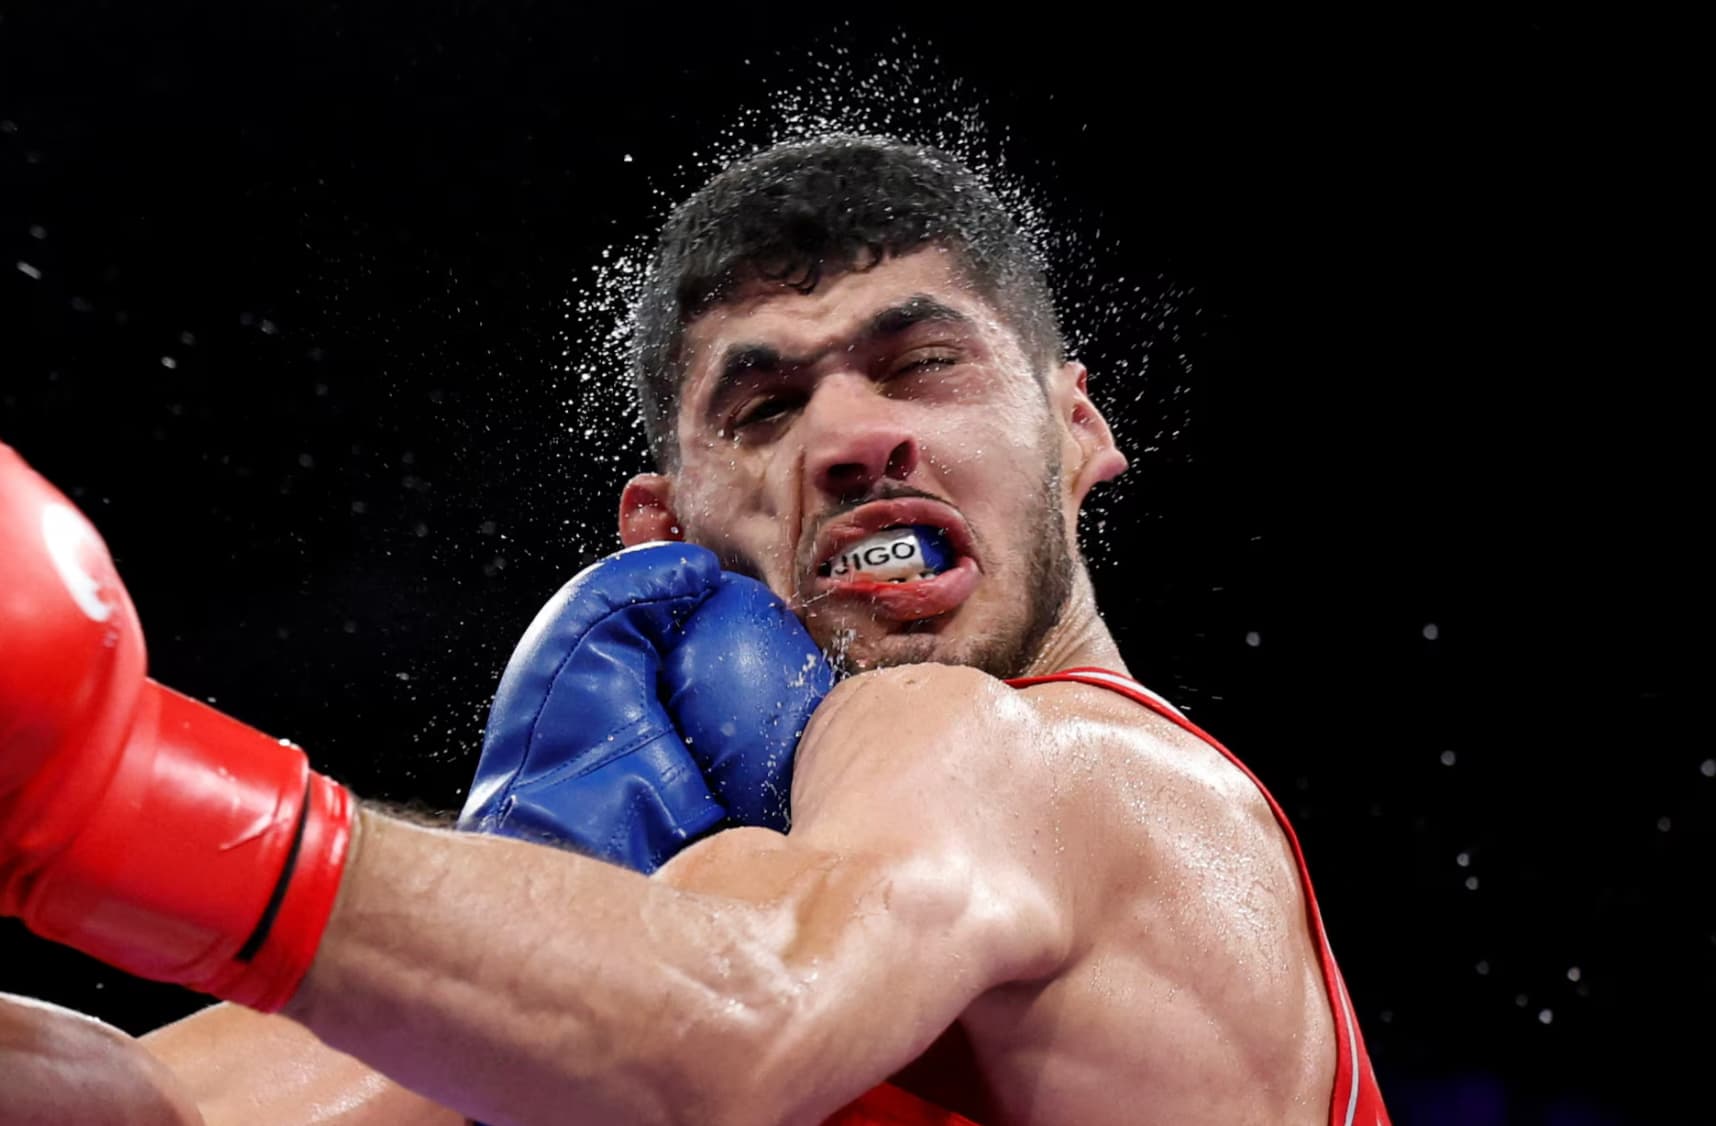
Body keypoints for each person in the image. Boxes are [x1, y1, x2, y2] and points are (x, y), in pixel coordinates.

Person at [0, 136, 1388, 1125]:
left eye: (923, 364)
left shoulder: (1047, 761)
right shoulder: (703, 917)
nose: (852, 437)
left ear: (1076, 429)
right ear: (661, 536)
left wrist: (109, 787)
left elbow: (744, 1023)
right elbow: (155, 1105)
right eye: (766, 407)